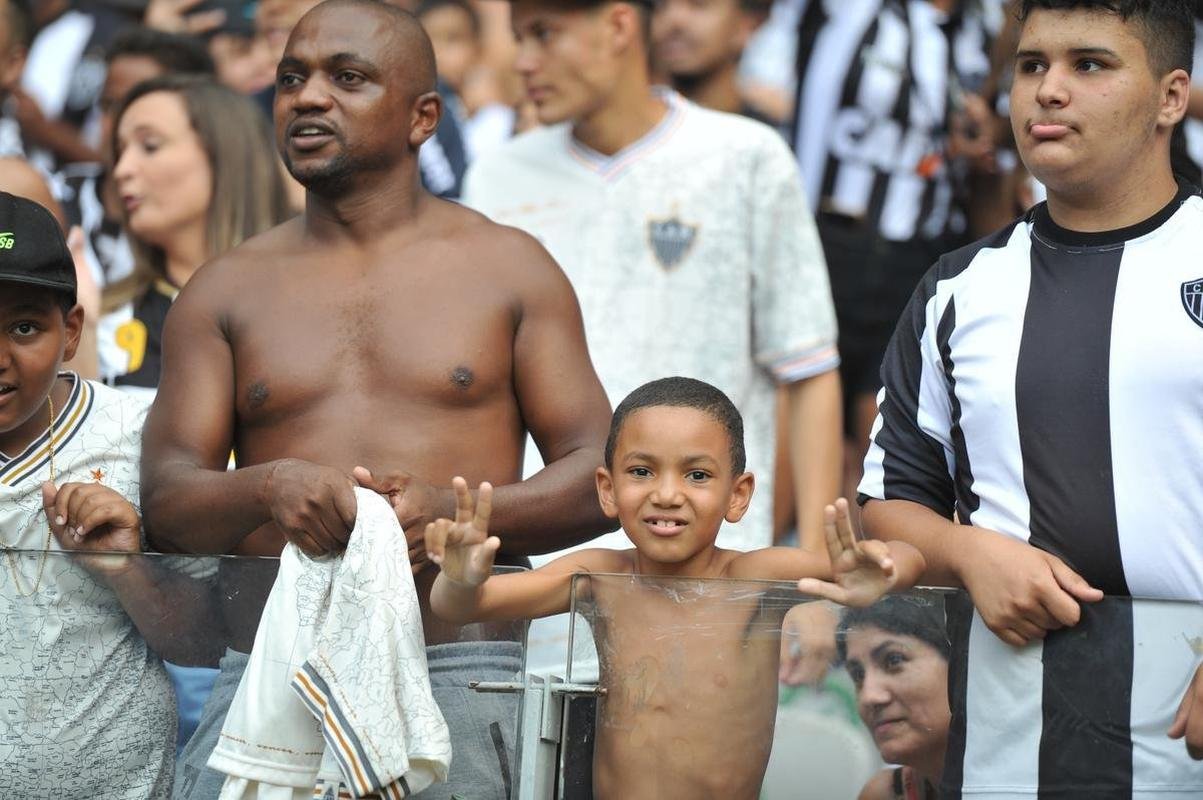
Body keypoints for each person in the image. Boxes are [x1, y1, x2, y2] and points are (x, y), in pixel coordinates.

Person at [138, 1, 615, 798]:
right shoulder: (225, 288)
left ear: (422, 117)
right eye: (292, 79)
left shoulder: (509, 268)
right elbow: (165, 500)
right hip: (267, 670)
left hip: (461, 670)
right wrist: (267, 486)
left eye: (347, 78)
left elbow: (601, 471)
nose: (308, 97)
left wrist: (459, 516)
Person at [858, 0, 1203, 795]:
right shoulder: (955, 286)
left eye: (1089, 64)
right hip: (1008, 732)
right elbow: (890, 498)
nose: (1047, 90)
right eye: (1030, 64)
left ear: (1170, 97)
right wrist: (968, 551)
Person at [425, 377, 926, 800]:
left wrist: (883, 565)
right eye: (642, 471)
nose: (667, 494)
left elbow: (911, 559)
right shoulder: (600, 576)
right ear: (607, 489)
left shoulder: (755, 580)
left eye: (697, 474)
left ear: (738, 494)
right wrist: (461, 579)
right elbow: (463, 607)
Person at [462, 0, 841, 557]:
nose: (523, 62)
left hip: (715, 569)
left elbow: (807, 370)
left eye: (545, 33)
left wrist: (813, 570)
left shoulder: (746, 157)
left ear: (618, 25)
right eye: (519, 38)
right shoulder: (497, 177)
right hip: (540, 566)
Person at [0, 190, 178, 796]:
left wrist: (127, 569)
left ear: (71, 330)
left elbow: (203, 641)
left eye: (24, 327)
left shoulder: (138, 436)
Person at [790, 0, 998, 508]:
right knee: (806, 411)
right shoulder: (857, 11)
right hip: (828, 241)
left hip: (921, 257)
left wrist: (983, 141)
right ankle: (797, 565)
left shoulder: (984, 31)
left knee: (878, 446)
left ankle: (861, 572)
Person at [99, 74, 291, 395]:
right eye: (120, 152)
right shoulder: (100, 317)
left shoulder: (313, 298)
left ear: (225, 153)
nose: (122, 170)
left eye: (150, 145)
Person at [58, 25, 216, 292]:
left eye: (138, 106)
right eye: (108, 105)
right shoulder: (52, 195)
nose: (118, 123)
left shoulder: (223, 236)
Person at [838, 595, 950, 800]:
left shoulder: (1024, 783)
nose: (868, 697)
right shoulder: (884, 795)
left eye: (893, 659)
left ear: (960, 667)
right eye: (858, 675)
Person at [651, 0, 777, 125]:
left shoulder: (767, 138)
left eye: (698, 5)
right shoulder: (636, 132)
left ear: (747, 26)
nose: (674, 19)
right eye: (661, 5)